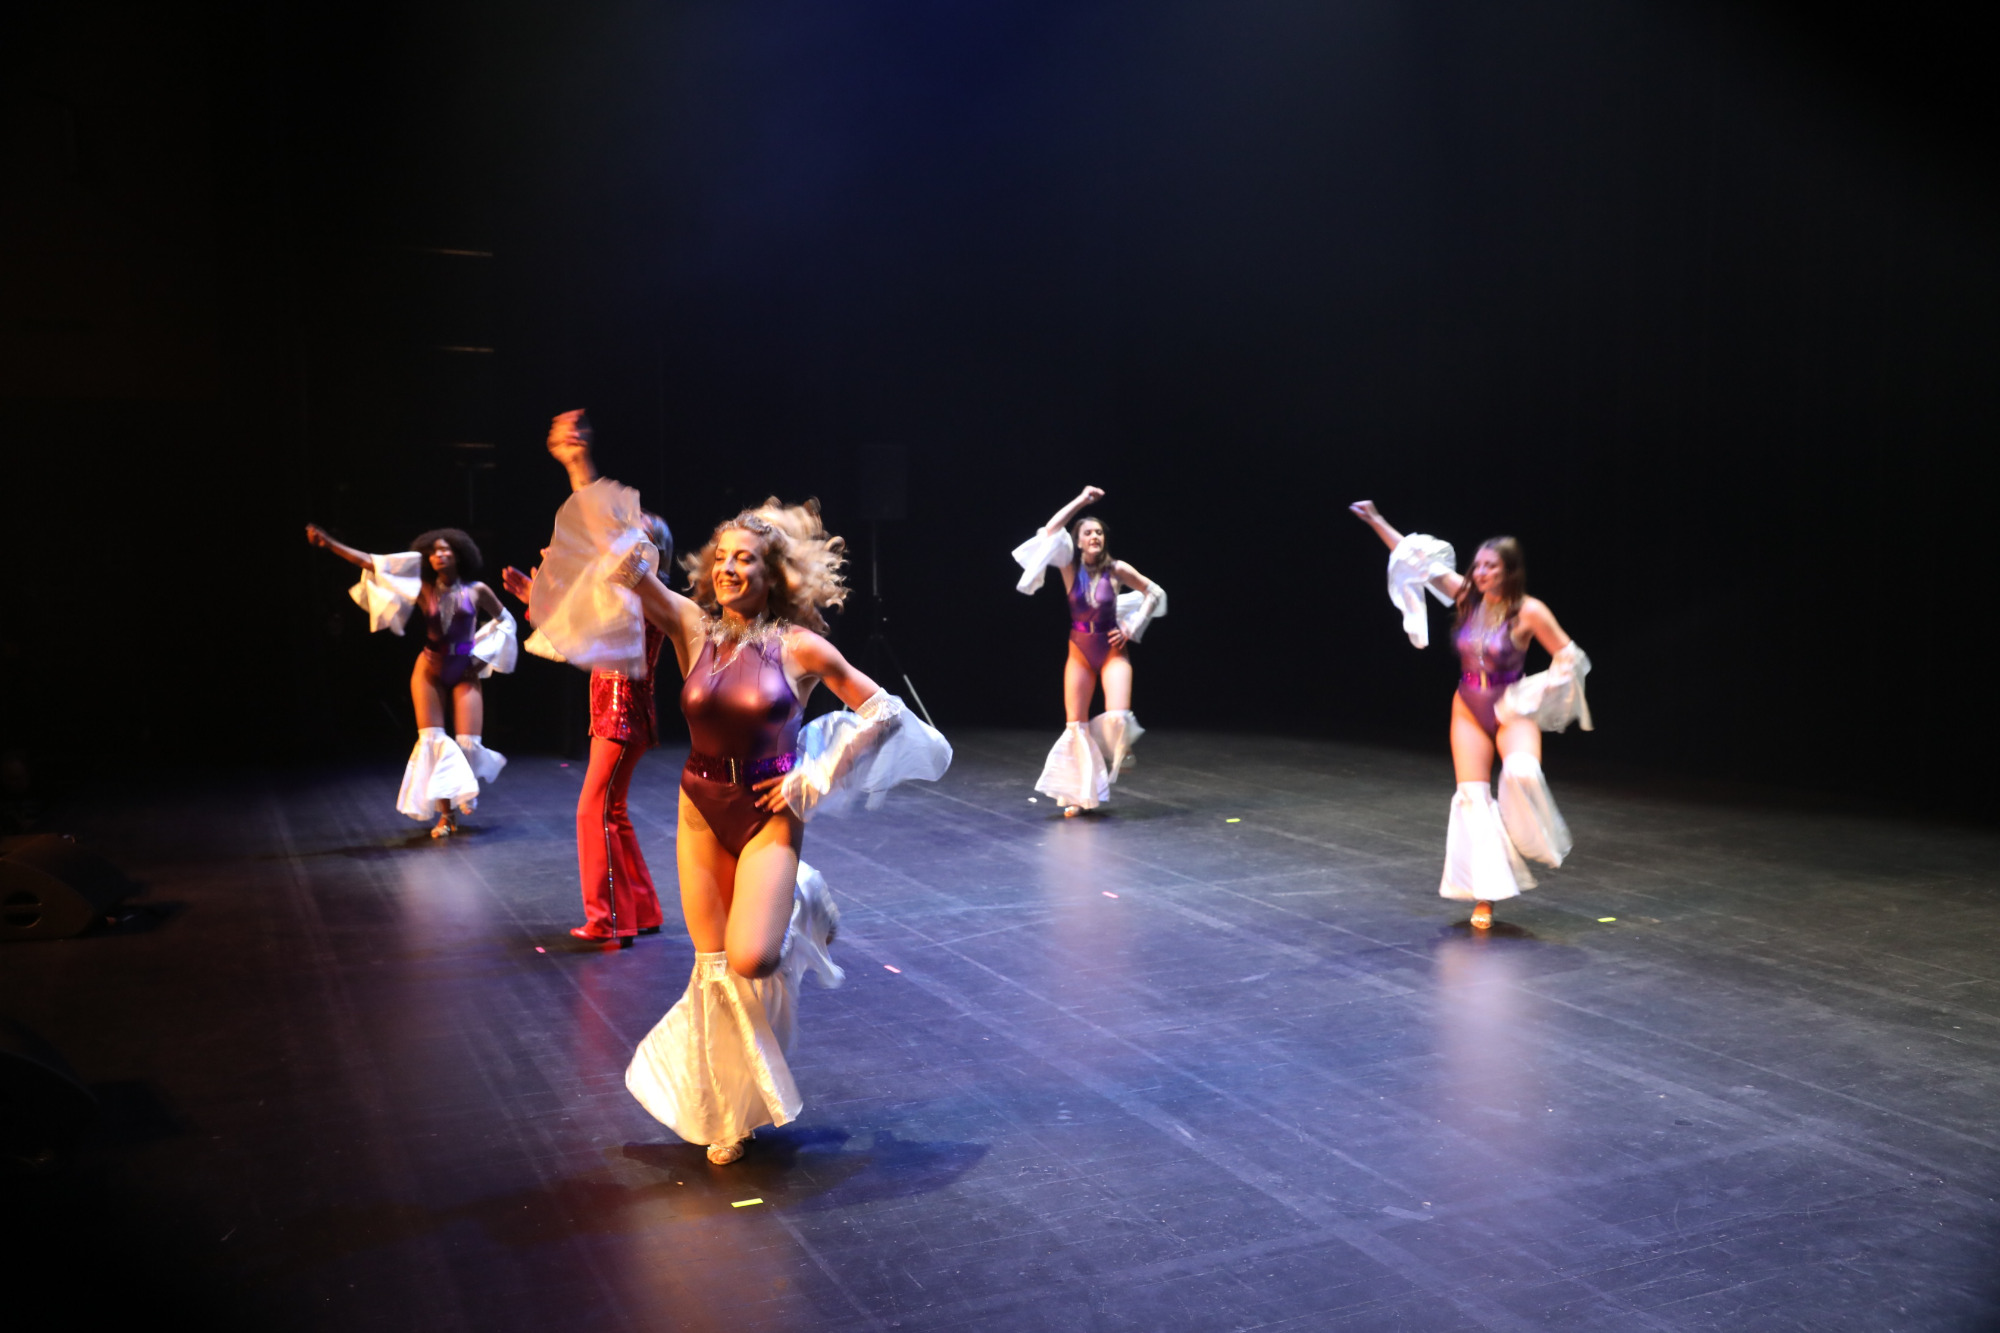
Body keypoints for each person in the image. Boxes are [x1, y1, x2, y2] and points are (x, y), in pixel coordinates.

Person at [523, 411, 951, 1164]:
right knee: (714, 968)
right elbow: (622, 557)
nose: (727, 569)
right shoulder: (691, 627)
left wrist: (818, 773)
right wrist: (578, 469)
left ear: (771, 574)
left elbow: (883, 710)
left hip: (768, 812)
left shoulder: (800, 646)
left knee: (753, 960)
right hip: (700, 809)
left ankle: (800, 896)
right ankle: (728, 1113)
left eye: (744, 559)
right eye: (720, 558)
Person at [1349, 500, 1591, 930]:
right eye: (1477, 565)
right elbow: (1414, 557)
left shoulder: (1529, 611)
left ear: (1509, 571)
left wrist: (1534, 694)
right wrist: (1376, 521)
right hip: (1468, 707)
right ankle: (1485, 896)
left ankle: (1522, 837)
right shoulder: (1465, 598)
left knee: (1521, 773)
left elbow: (1570, 657)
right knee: (1473, 801)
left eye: (1490, 567)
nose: (1480, 573)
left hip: (1510, 706)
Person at [503, 497, 673, 945]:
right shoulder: (626, 595)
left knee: (593, 811)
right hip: (615, 713)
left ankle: (610, 918)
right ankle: (641, 909)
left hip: (622, 714)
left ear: (651, 548)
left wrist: (560, 577)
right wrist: (539, 597)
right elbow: (580, 637)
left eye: (635, 531)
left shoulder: (646, 594)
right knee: (610, 810)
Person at [306, 522, 517, 837]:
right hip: (429, 668)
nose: (438, 555)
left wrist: (482, 657)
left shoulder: (477, 590)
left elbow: (507, 622)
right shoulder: (423, 588)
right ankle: (447, 816)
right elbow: (373, 563)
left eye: (445, 550)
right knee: (433, 741)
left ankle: (464, 789)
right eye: (433, 552)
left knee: (468, 744)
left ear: (459, 555)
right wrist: (330, 544)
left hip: (465, 669)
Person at [1011, 485, 1167, 815]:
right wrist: (1082, 500)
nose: (1094, 536)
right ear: (1078, 541)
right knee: (1076, 727)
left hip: (1111, 650)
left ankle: (1120, 746)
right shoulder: (1070, 567)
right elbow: (1051, 531)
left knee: (1118, 717)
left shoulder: (1117, 569)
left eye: (1099, 532)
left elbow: (1153, 592)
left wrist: (1133, 625)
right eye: (1088, 532)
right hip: (1080, 651)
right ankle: (1080, 799)